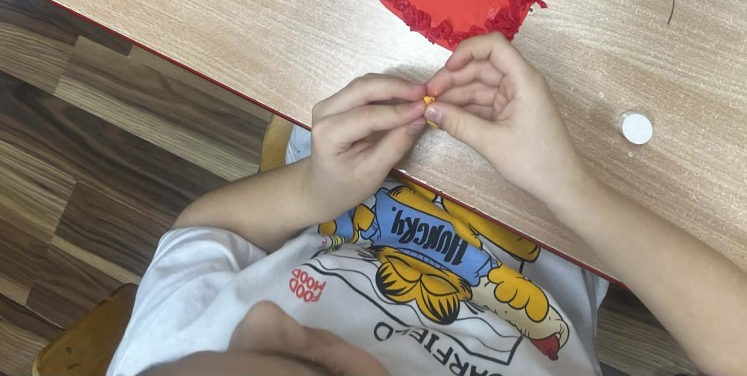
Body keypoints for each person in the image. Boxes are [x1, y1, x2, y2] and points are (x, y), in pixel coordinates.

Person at [107, 34, 747, 376]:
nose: (264, 316)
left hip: (355, 170)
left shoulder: (160, 358)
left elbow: (202, 236)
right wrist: (570, 187)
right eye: (307, 359)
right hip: (577, 232)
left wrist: (313, 190)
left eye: (216, 353)